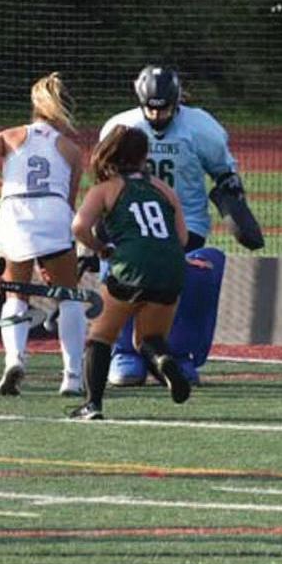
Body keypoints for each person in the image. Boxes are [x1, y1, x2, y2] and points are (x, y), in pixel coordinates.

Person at [98, 65, 259, 387]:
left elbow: (224, 172)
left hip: (186, 223)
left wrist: (233, 200)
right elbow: (105, 178)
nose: (157, 117)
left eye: (164, 109)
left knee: (187, 282)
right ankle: (125, 354)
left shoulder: (201, 127)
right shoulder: (121, 127)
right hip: (132, 222)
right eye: (151, 110)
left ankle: (179, 355)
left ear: (177, 102)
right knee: (120, 278)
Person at [0, 71, 85, 397]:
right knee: (69, 296)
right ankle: (73, 376)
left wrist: (2, 188)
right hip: (52, 213)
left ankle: (14, 360)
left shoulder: (10, 136)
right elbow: (69, 200)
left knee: (15, 295)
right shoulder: (70, 149)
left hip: (15, 214)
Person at [68, 126, 194, 420]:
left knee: (100, 336)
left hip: (130, 268)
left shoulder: (105, 189)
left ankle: (92, 404)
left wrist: (100, 248)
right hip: (172, 269)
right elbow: (183, 238)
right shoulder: (163, 188)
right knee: (148, 339)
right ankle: (164, 362)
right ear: (143, 156)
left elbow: (79, 227)